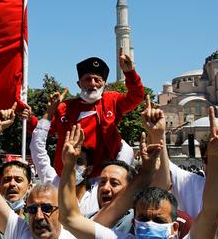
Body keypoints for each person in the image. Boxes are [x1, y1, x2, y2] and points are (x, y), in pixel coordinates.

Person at [59, 107, 218, 239]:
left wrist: (217, 161)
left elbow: (211, 214)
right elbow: (70, 218)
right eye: (142, 218)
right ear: (133, 222)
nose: (149, 225)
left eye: (158, 220)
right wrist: (69, 166)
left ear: (175, 227)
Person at [28, 48, 145, 176]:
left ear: (104, 85)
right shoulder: (64, 107)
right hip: (69, 176)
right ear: (79, 84)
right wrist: (28, 118)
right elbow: (41, 131)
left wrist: (130, 73)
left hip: (101, 178)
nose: (92, 84)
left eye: (97, 80)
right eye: (87, 79)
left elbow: (136, 97)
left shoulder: (112, 100)